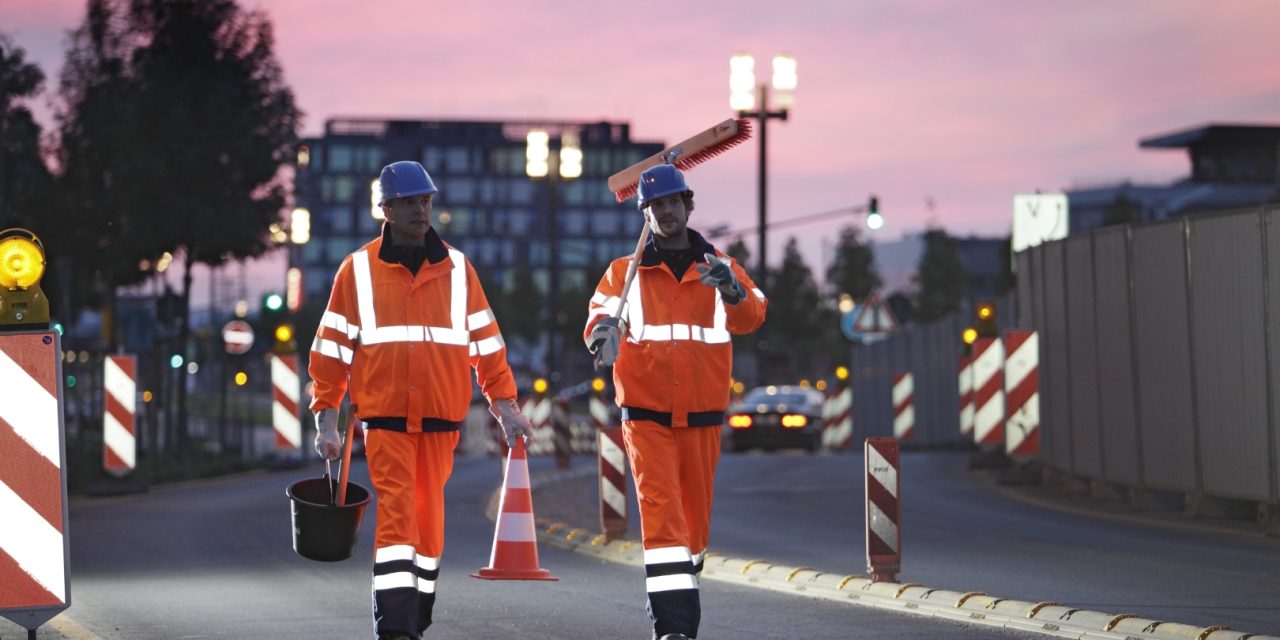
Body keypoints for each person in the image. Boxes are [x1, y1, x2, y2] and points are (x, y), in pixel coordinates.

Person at [309, 160, 532, 640]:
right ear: (385, 209)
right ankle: (395, 624)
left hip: (440, 418)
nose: (419, 210)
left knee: (427, 523)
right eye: (408, 202)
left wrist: (506, 406)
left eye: (425, 200)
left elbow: (487, 344)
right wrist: (326, 419)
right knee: (396, 514)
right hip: (385, 418)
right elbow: (330, 351)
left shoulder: (457, 269)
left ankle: (419, 607)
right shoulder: (358, 270)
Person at [584, 163, 767, 640]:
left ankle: (683, 586)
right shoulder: (624, 275)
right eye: (655, 206)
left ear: (688, 205)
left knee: (693, 527)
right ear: (645, 215)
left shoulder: (720, 266)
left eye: (672, 202)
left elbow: (753, 314)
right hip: (645, 415)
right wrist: (602, 334)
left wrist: (730, 289)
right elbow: (602, 314)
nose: (665, 212)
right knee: (661, 515)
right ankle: (674, 628)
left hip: (703, 416)